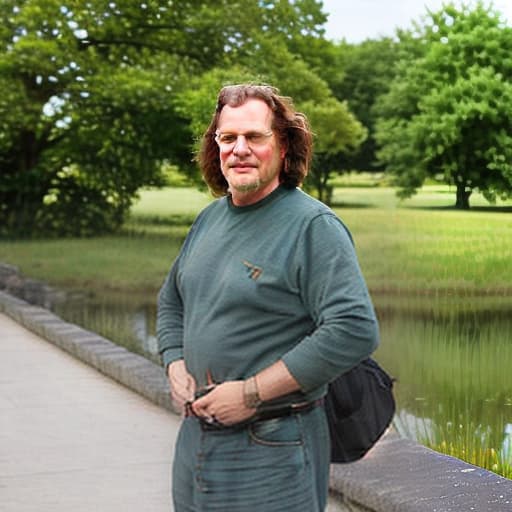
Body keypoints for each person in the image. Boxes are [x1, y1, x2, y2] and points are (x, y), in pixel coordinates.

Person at [157, 83, 379, 512]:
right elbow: (172, 301)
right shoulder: (209, 219)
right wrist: (173, 360)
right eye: (228, 138)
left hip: (274, 447)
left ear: (283, 147)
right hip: (195, 443)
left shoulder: (312, 226)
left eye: (255, 137)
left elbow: (354, 328)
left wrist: (251, 394)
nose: (239, 149)